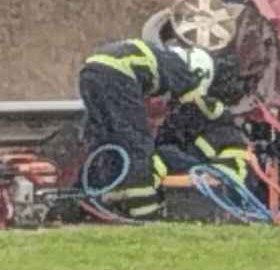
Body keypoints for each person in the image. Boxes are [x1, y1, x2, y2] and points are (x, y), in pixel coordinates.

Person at [78, 39, 226, 220]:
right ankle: (144, 211)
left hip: (89, 71)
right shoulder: (183, 72)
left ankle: (103, 192)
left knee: (105, 137)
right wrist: (221, 116)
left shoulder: (161, 56)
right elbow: (196, 107)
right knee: (136, 141)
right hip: (117, 74)